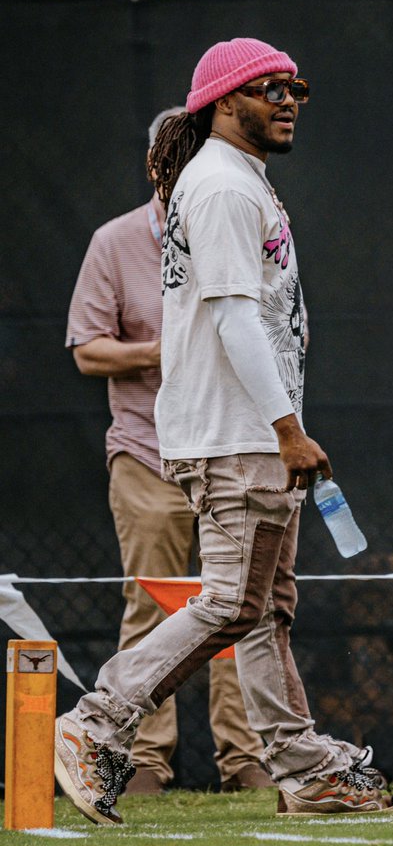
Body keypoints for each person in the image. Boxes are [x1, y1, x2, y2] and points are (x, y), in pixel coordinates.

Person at [54, 38, 393, 825]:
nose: (287, 100)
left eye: (295, 88)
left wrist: (284, 425)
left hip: (249, 431)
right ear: (222, 101)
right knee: (229, 602)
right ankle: (97, 721)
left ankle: (299, 766)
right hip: (235, 435)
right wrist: (286, 426)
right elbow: (233, 314)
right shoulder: (218, 185)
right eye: (268, 88)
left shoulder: (238, 181)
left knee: (264, 606)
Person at [66, 107, 272, 796]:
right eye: (171, 158)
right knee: (152, 604)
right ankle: (143, 762)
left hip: (228, 447)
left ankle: (244, 758)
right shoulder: (114, 242)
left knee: (236, 604)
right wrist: (162, 349)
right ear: (154, 165)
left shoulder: (236, 216)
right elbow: (87, 348)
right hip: (147, 453)